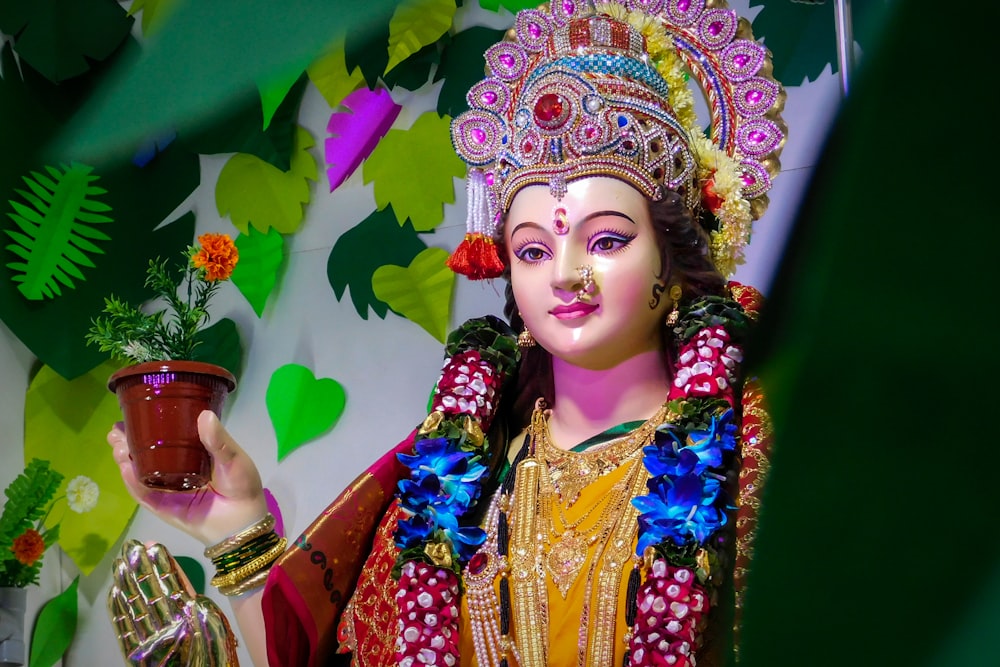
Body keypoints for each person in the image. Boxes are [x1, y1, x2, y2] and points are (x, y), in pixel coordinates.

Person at [106, 1, 785, 665]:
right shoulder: (468, 468)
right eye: (532, 250)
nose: (566, 275)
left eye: (606, 240)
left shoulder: (751, 453)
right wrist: (238, 534)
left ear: (672, 256)